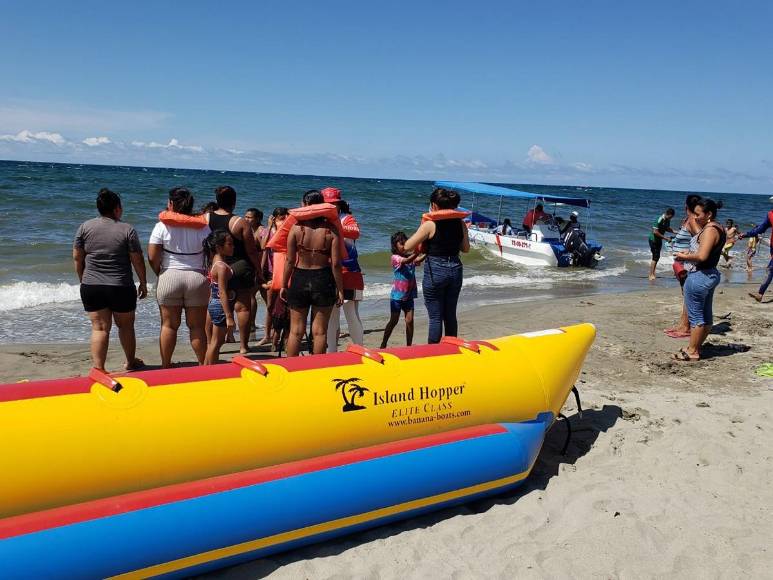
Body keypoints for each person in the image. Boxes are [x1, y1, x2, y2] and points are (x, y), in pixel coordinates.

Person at [73, 188, 147, 372]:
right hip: (120, 286)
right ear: (116, 209)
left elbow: (77, 257)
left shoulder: (84, 227)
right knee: (126, 326)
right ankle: (130, 363)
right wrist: (143, 282)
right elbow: (137, 259)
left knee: (99, 328)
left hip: (92, 285)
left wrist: (83, 279)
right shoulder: (127, 229)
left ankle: (99, 368)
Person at [147, 187, 211, 368]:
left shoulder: (161, 226)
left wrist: (160, 271)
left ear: (171, 204)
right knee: (197, 327)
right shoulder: (204, 226)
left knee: (168, 325)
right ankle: (202, 364)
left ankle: (166, 365)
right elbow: (212, 253)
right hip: (196, 277)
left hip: (170, 276)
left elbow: (152, 256)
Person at [281, 190, 344, 356]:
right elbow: (336, 264)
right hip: (323, 279)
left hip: (300, 278)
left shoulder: (295, 228)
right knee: (320, 332)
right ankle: (316, 369)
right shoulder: (331, 230)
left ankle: (291, 371)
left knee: (296, 331)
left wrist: (283, 284)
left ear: (304, 206)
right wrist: (340, 289)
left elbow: (289, 261)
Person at [404, 187, 470, 343]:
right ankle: (452, 349)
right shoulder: (460, 223)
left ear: (434, 205)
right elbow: (465, 249)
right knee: (450, 314)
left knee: (435, 317)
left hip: (436, 270)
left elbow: (407, 246)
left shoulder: (430, 225)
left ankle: (434, 351)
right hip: (455, 268)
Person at [673, 198, 726, 361]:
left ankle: (693, 351)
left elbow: (702, 256)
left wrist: (684, 255)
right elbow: (707, 253)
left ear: (709, 214)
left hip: (700, 276)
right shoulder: (719, 228)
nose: (695, 217)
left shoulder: (710, 229)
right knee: (706, 315)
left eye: (698, 214)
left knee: (696, 317)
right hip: (709, 274)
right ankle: (694, 347)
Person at [320, 187, 365, 352]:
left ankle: (360, 349)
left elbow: (356, 233)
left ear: (339, 204)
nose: (330, 207)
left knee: (351, 313)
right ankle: (332, 351)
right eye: (326, 204)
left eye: (333, 204)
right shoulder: (319, 221)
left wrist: (334, 223)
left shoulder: (347, 219)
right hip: (329, 272)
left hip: (349, 272)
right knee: (331, 316)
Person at [664, 194, 702, 338]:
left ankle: (685, 327)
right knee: (685, 293)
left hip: (685, 263)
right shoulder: (688, 220)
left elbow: (700, 238)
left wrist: (689, 254)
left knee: (687, 294)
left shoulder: (692, 220)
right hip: (680, 262)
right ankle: (683, 324)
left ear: (686, 206)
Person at [381, 232, 424, 348]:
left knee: (410, 321)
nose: (404, 245)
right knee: (394, 321)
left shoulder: (409, 256)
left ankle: (409, 345)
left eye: (406, 242)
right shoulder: (395, 258)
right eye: (401, 243)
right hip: (397, 296)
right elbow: (407, 261)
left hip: (409, 295)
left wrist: (427, 252)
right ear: (395, 246)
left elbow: (418, 259)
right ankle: (383, 343)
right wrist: (417, 252)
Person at [204, 231, 236, 364]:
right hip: (220, 305)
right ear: (218, 247)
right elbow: (222, 292)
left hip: (214, 303)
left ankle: (205, 369)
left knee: (212, 343)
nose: (233, 246)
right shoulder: (222, 267)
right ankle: (210, 373)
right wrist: (229, 317)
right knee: (217, 342)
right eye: (230, 244)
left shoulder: (213, 264)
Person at [738, 195, 773, 302]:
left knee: (770, 269)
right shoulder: (770, 214)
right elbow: (760, 229)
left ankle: (760, 294)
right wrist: (746, 234)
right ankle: (760, 294)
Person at [244, 207, 269, 340]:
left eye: (249, 217)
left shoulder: (261, 231)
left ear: (258, 219)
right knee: (256, 296)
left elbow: (265, 250)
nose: (246, 219)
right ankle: (254, 324)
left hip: (260, 268)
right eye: (245, 216)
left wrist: (261, 269)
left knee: (256, 296)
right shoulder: (250, 230)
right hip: (255, 268)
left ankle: (256, 325)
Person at [648, 207, 676, 280]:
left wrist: (676, 232)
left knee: (657, 257)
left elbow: (667, 228)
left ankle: (653, 273)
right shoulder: (659, 219)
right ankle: (650, 275)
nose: (671, 219)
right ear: (668, 214)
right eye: (671, 217)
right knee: (655, 257)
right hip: (653, 239)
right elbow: (655, 232)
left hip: (659, 240)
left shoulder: (667, 220)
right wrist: (666, 238)